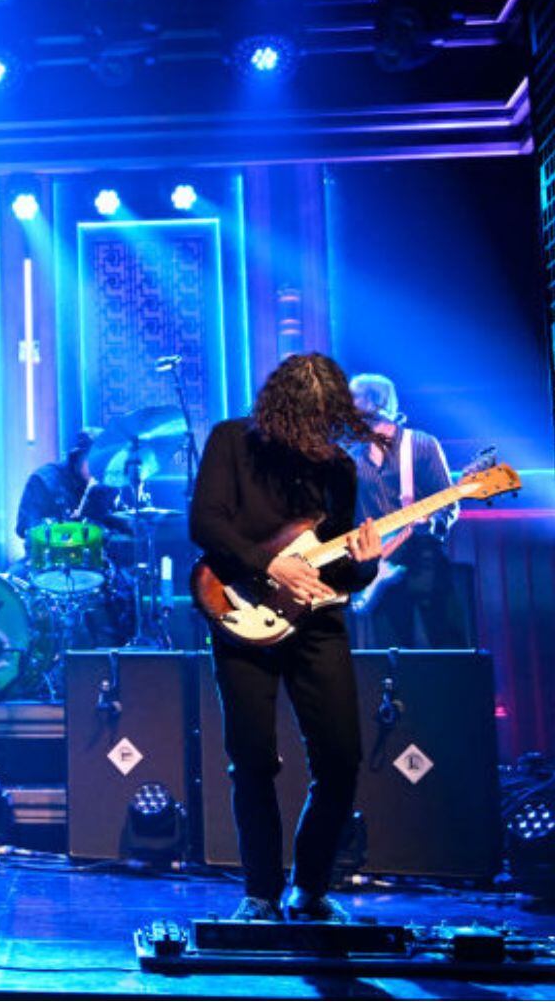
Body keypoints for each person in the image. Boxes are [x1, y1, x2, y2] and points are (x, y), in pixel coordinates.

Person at [189, 353, 386, 923]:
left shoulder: (338, 470)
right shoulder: (232, 441)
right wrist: (265, 565)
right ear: (283, 410)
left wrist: (366, 564)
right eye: (311, 419)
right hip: (240, 614)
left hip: (316, 624)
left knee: (342, 759)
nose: (318, 433)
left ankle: (310, 886)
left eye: (329, 420)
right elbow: (205, 524)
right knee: (251, 758)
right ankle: (260, 893)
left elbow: (342, 571)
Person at [346, 373, 467, 648]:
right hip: (378, 570)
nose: (346, 405)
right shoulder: (352, 458)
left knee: (446, 650)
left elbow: (448, 503)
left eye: (353, 398)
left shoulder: (421, 444)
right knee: (392, 658)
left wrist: (432, 524)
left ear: (374, 401)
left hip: (425, 563)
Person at [14, 427, 129, 540]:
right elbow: (26, 528)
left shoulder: (106, 483)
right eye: (94, 461)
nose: (99, 468)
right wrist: (66, 528)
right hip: (55, 555)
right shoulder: (44, 481)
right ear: (76, 457)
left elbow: (118, 521)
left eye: (104, 462)